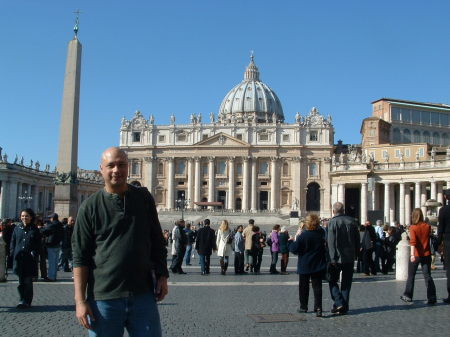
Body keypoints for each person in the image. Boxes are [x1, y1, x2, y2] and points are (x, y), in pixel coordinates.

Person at [72, 147, 168, 337]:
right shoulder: (89, 207)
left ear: (128, 167)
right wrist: (80, 301)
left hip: (143, 294)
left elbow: (157, 241)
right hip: (104, 298)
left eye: (122, 165)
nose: (117, 170)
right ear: (101, 169)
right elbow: (80, 257)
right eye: (111, 165)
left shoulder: (144, 198)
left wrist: (162, 275)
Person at [290, 214, 327, 317]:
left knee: (303, 287)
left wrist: (295, 238)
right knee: (317, 287)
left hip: (305, 265)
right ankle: (318, 308)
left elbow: (294, 249)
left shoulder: (303, 236)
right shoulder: (321, 235)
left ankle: (303, 307)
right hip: (318, 264)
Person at [327, 202, 360, 315]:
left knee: (332, 280)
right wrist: (356, 254)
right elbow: (357, 240)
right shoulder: (352, 221)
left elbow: (330, 242)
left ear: (333, 211)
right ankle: (343, 307)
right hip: (349, 257)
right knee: (346, 283)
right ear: (344, 210)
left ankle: (339, 302)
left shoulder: (332, 222)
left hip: (336, 257)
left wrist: (332, 258)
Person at [400, 208, 437, 305]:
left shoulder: (413, 227)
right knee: (428, 276)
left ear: (413, 216)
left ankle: (408, 295)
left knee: (411, 276)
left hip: (416, 254)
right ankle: (432, 296)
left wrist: (412, 254)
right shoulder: (427, 226)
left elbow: (413, 242)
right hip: (426, 254)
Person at [9, 208, 41, 308]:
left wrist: (34, 253)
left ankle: (27, 300)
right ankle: (21, 299)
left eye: (26, 216)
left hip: (29, 259)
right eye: (22, 216)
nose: (24, 218)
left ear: (31, 217)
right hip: (19, 258)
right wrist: (12, 253)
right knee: (20, 281)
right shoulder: (17, 228)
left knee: (27, 281)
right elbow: (13, 242)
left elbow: (38, 244)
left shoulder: (34, 229)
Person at [42, 213, 63, 281]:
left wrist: (42, 228)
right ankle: (54, 276)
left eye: (50, 218)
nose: (50, 219)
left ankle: (51, 277)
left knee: (51, 262)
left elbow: (44, 231)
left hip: (51, 245)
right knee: (55, 262)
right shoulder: (60, 225)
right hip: (58, 244)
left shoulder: (52, 225)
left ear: (53, 218)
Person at [438, 189, 450, 304]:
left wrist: (437, 245)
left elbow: (440, 229)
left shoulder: (443, 210)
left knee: (449, 270)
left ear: (446, 197)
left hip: (448, 242)